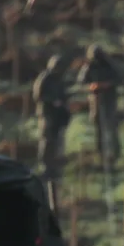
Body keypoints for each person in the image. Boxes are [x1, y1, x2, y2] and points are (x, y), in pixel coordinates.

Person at [75, 44, 124, 171]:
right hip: (96, 100)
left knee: (112, 126)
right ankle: (101, 154)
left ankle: (115, 154)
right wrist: (92, 86)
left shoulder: (110, 65)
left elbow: (119, 79)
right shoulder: (89, 67)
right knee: (98, 127)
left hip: (110, 99)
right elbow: (81, 81)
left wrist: (107, 84)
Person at [33, 56, 72, 186]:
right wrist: (52, 101)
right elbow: (38, 95)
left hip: (57, 114)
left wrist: (64, 104)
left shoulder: (59, 79)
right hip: (46, 113)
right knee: (46, 140)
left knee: (56, 140)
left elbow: (63, 94)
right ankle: (45, 168)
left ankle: (53, 168)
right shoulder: (45, 78)